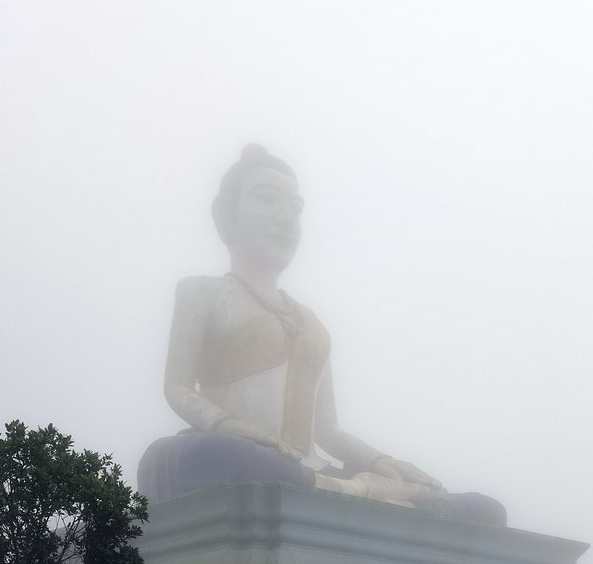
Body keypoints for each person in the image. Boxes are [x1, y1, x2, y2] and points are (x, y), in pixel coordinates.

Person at [139, 144, 505, 524]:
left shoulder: (312, 323)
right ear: (225, 215)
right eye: (268, 199)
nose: (285, 217)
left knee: (485, 510)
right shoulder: (202, 292)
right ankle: (362, 496)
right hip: (239, 456)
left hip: (305, 469)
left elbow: (326, 430)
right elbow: (177, 388)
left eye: (295, 208)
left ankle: (344, 489)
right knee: (206, 457)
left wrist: (380, 461)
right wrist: (228, 427)